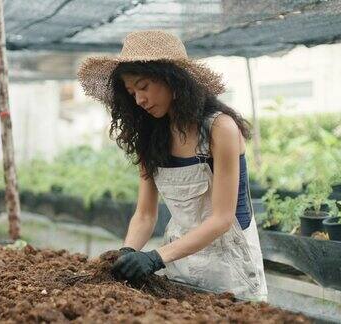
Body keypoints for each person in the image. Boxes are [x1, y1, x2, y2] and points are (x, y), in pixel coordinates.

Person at [77, 30, 267, 301]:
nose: (139, 100)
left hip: (231, 266)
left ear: (173, 79)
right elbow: (145, 215)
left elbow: (222, 218)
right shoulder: (150, 138)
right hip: (180, 263)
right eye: (131, 93)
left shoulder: (219, 129)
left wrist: (155, 258)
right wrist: (128, 252)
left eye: (143, 87)